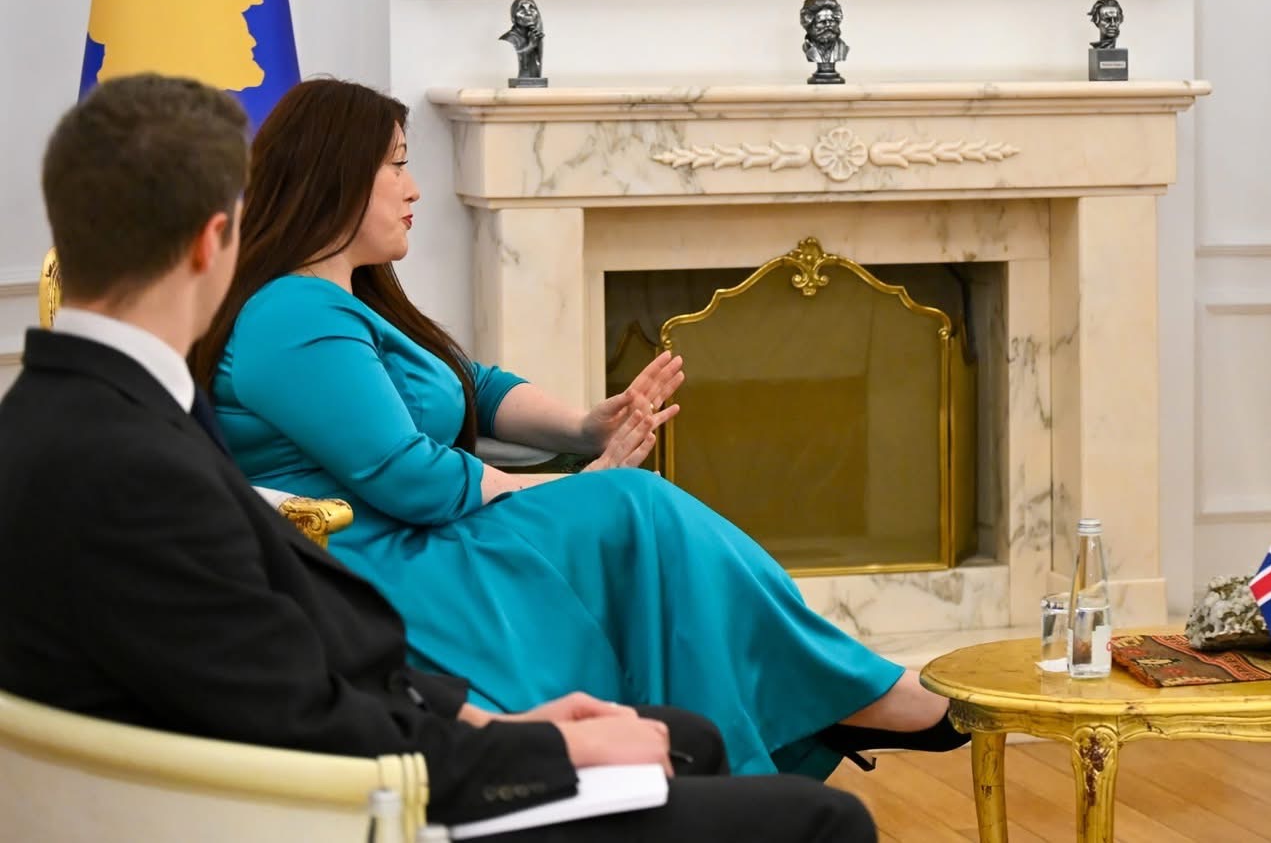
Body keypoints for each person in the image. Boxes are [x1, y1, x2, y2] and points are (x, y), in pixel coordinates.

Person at [0, 73, 877, 841]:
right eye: (396, 164)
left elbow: (283, 665)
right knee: (825, 819)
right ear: (211, 241)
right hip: (376, 803)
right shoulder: (139, 471)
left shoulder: (70, 422)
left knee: (695, 732)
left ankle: (855, 690)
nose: (412, 185)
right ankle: (867, 691)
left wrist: (486, 718)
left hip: (358, 751)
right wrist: (538, 746)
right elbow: (305, 718)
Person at [191, 78, 965, 782]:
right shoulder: (291, 314)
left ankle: (833, 696)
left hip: (427, 530)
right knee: (634, 507)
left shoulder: (350, 300)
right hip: (385, 557)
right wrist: (566, 483)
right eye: (396, 164)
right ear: (335, 172)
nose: (414, 186)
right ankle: (849, 695)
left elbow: (473, 387)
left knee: (636, 509)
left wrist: (585, 424)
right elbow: (408, 475)